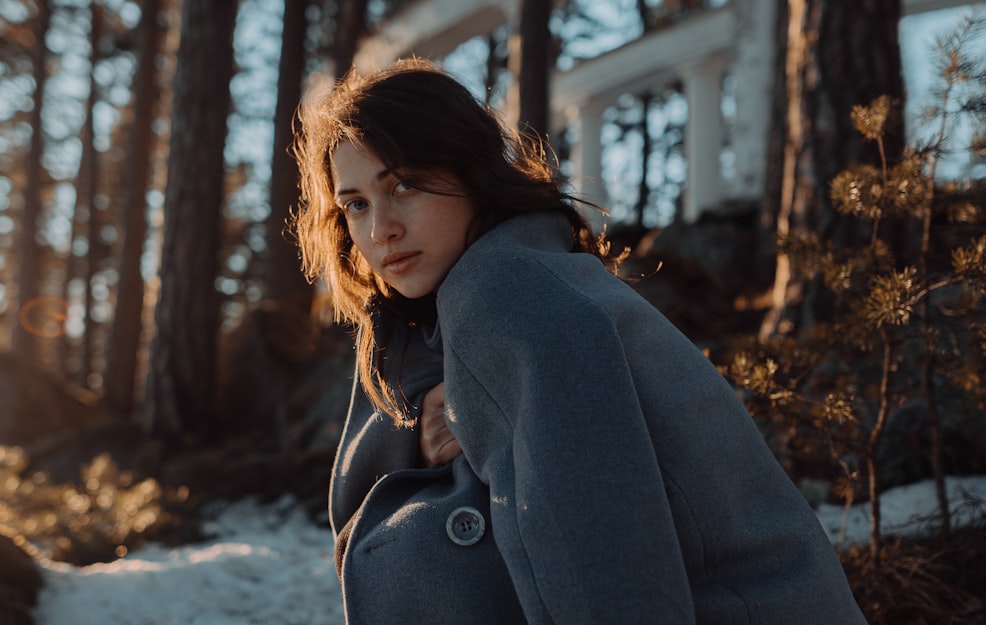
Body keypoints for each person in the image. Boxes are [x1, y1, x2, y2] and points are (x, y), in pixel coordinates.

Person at [292, 58, 868, 624]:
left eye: (406, 185)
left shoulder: (505, 289)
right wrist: (418, 434)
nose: (380, 229)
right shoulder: (428, 320)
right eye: (357, 205)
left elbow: (601, 550)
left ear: (471, 172)